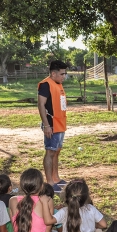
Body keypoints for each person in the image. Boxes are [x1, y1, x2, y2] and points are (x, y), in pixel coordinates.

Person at [37, 60, 69, 193]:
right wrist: (46, 125)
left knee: (56, 152)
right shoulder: (45, 84)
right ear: (53, 73)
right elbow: (41, 105)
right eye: (62, 74)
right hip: (51, 125)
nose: (64, 76)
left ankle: (56, 178)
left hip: (61, 124)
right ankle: (49, 182)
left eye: (65, 73)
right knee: (50, 152)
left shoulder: (58, 84)